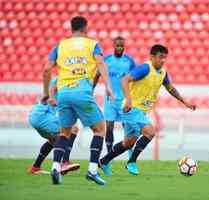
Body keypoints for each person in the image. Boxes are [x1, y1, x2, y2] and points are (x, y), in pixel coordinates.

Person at [99, 44, 196, 176]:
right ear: (152, 57)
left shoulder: (162, 73)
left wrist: (185, 102)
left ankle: (104, 161)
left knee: (128, 143)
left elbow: (170, 88)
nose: (163, 60)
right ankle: (131, 161)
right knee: (150, 132)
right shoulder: (145, 68)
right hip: (132, 108)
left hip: (141, 111)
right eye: (160, 57)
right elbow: (124, 80)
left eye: (165, 58)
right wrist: (128, 100)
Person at [42, 16, 111, 185]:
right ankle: (92, 171)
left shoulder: (60, 45)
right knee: (100, 129)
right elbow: (101, 64)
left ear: (71, 28)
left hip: (64, 93)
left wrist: (47, 94)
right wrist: (108, 86)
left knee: (64, 133)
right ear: (85, 28)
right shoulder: (92, 44)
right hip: (82, 91)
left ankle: (55, 167)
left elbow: (46, 70)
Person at [28, 77, 80, 175]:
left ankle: (35, 167)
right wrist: (51, 98)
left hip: (36, 117)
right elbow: (52, 87)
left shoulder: (69, 84)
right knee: (73, 129)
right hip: (42, 115)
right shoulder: (64, 77)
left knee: (53, 141)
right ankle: (65, 162)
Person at [103, 36, 135, 155]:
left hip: (123, 100)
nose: (120, 48)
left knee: (127, 127)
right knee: (109, 127)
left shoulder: (129, 61)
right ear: (114, 46)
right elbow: (97, 74)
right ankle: (108, 154)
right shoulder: (107, 60)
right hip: (110, 100)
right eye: (118, 45)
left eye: (122, 46)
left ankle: (130, 155)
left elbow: (135, 78)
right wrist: (92, 88)